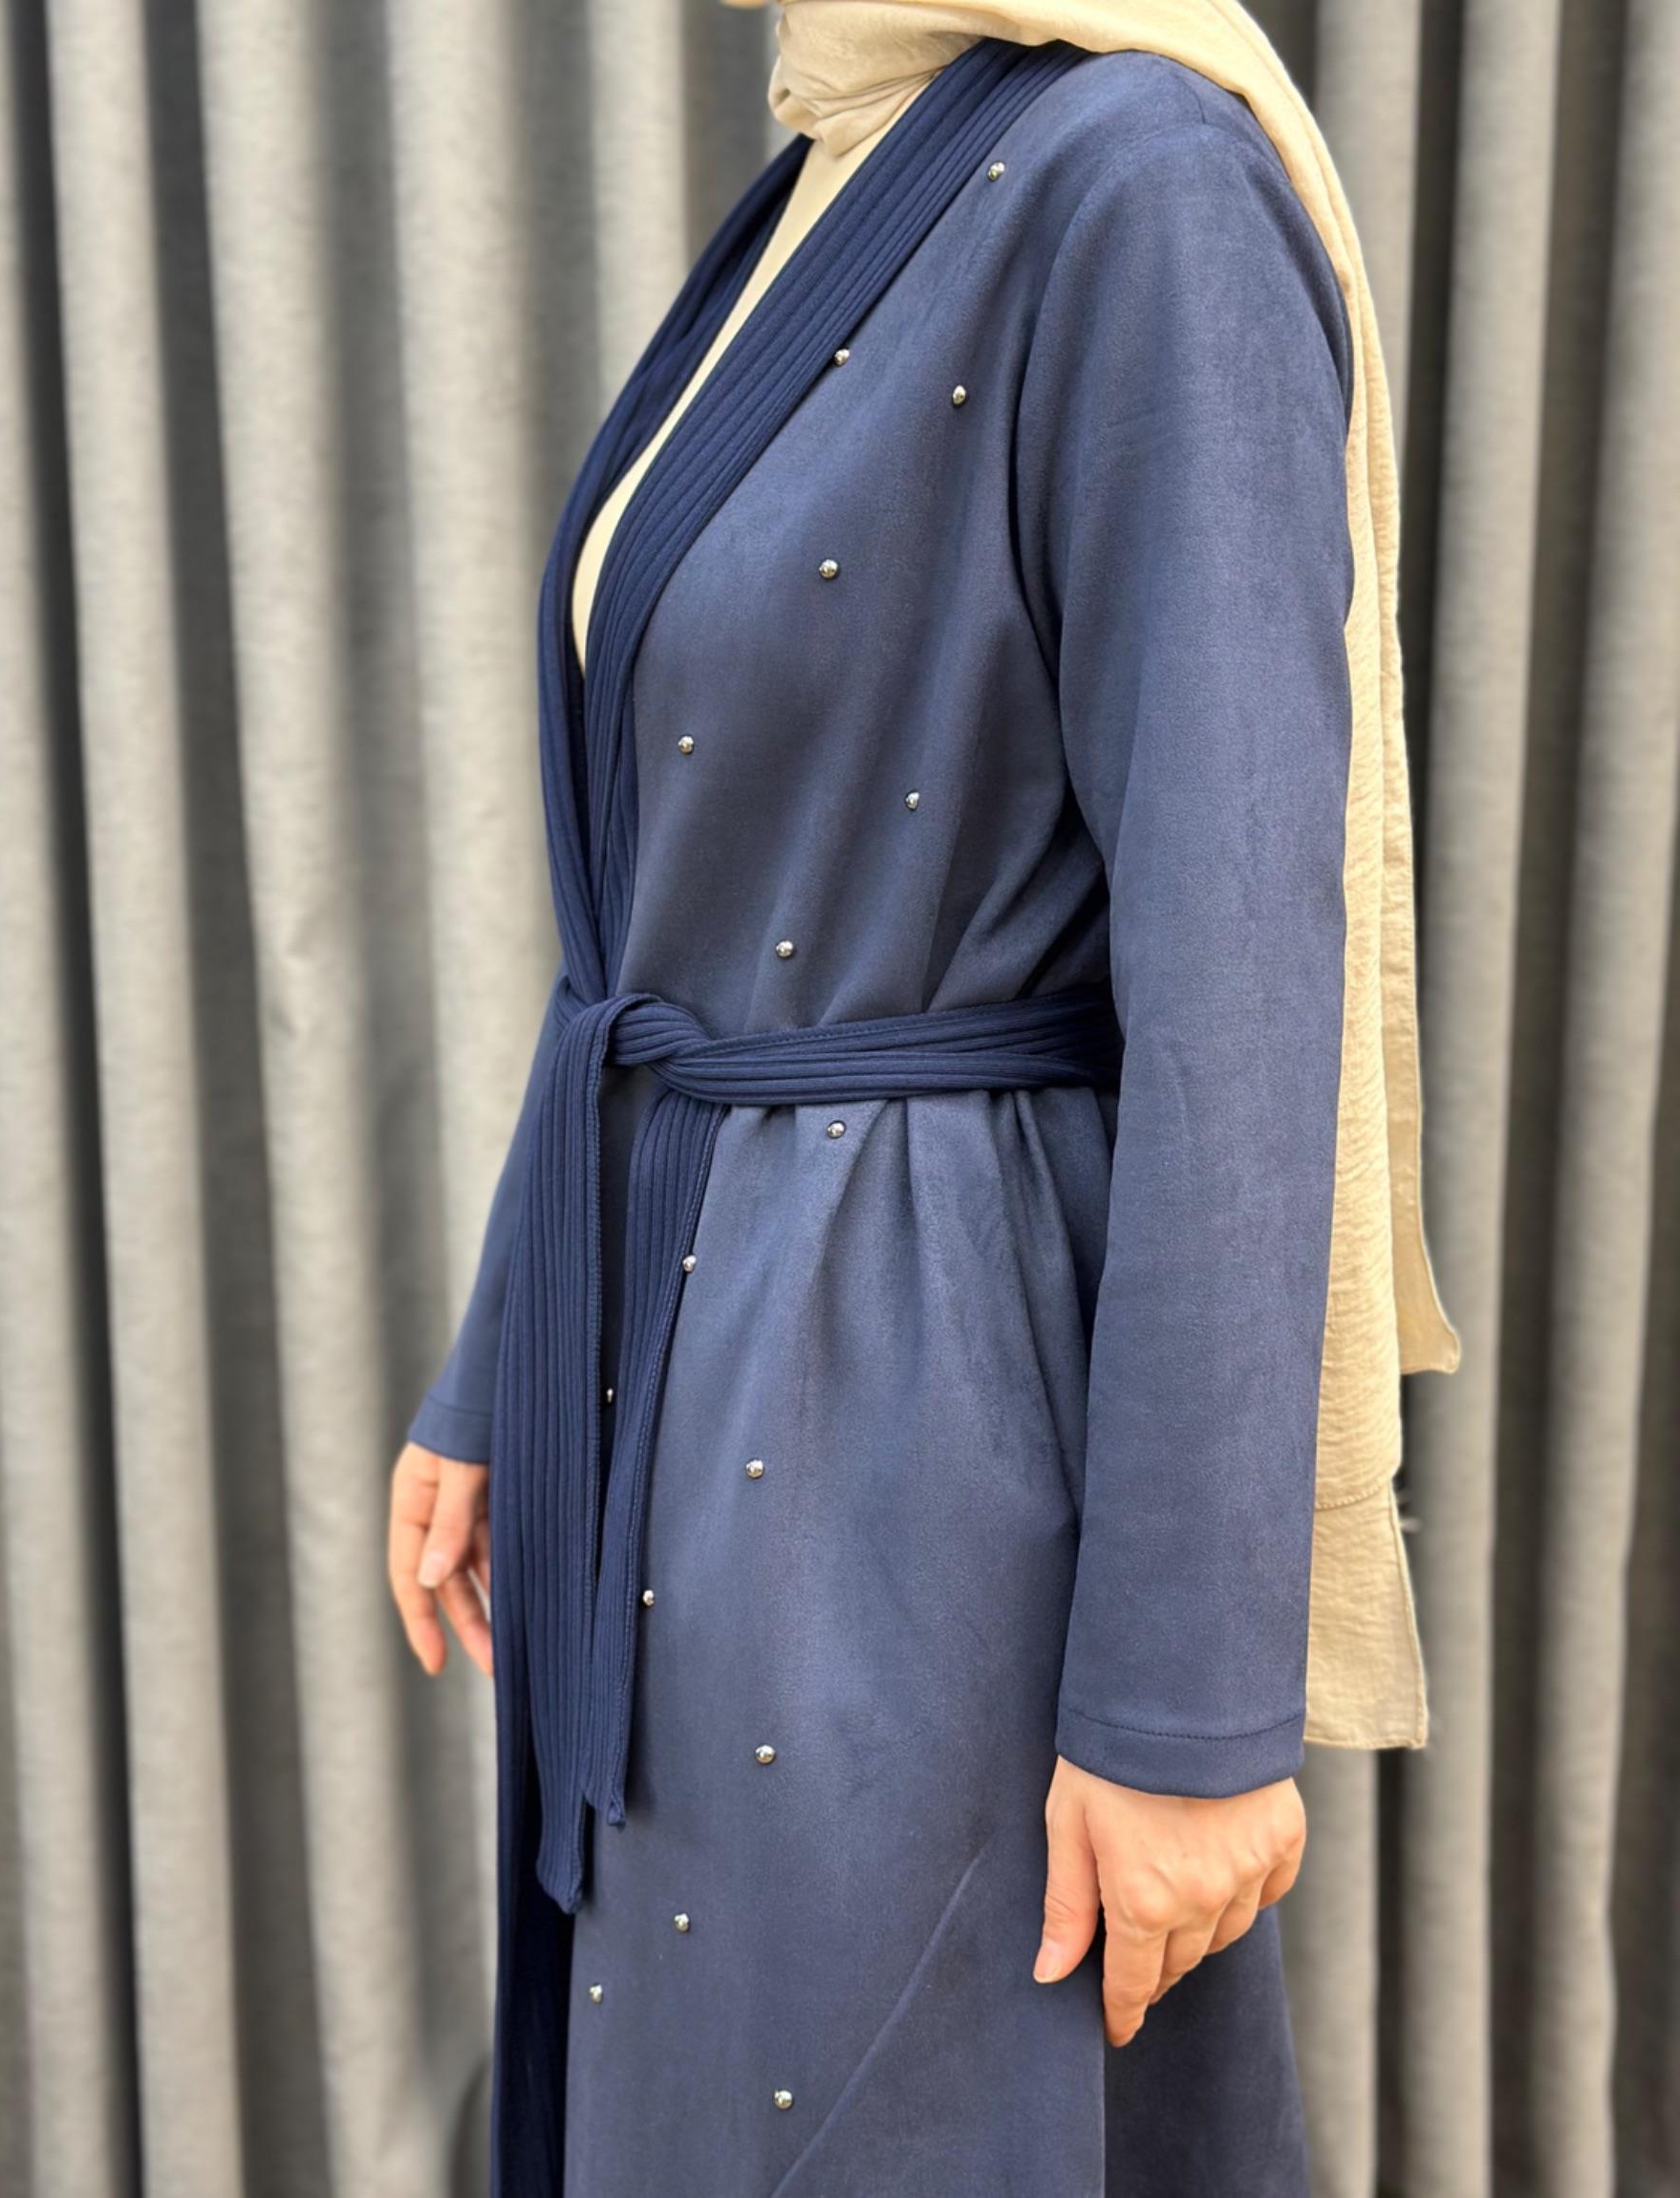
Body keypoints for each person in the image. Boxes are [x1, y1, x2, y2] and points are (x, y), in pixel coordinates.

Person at [386, 5, 1460, 2191]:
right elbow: (675, 898)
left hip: (919, 1444)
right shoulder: (836, 165)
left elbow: (1241, 986)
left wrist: (1187, 1714)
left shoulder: (1143, 185)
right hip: (676, 1382)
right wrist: (510, 1348)